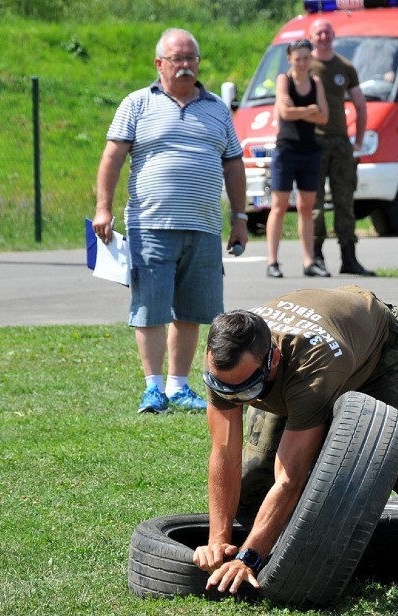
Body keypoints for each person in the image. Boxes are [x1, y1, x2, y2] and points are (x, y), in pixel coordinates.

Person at [192, 286, 398, 593]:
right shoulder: (227, 360)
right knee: (256, 474)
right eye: (224, 388)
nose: (234, 398)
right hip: (323, 340)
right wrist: (218, 541)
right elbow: (224, 453)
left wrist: (248, 558)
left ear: (272, 360)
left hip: (381, 349)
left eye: (245, 392)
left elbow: (290, 478)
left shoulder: (312, 370)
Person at [92, 28, 247, 414]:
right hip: (150, 224)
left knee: (193, 310)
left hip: (205, 226)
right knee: (150, 307)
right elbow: (112, 157)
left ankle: (179, 386)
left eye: (191, 58)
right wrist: (103, 207)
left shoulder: (216, 109)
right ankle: (153, 389)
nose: (185, 65)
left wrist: (240, 218)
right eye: (177, 59)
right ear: (159, 64)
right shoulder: (137, 104)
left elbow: (234, 165)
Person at [308, 19, 375, 277]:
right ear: (311, 37)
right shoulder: (304, 65)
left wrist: (357, 140)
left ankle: (349, 257)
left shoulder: (344, 67)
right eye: (318, 33)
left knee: (344, 200)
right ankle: (316, 256)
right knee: (314, 202)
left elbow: (360, 104)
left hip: (339, 142)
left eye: (327, 32)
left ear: (333, 35)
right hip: (313, 142)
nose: (323, 36)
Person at [265, 39, 329, 279]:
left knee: (306, 206)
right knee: (279, 205)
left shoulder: (316, 81)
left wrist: (301, 111)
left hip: (310, 150)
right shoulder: (285, 80)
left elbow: (324, 117)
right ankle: (272, 261)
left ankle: (309, 261)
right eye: (298, 58)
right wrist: (310, 109)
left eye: (306, 58)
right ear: (290, 58)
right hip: (286, 149)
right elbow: (285, 113)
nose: (302, 63)